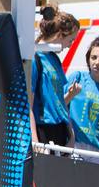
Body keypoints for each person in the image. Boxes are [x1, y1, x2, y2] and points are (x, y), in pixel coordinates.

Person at [32, 8, 78, 147]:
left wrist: (70, 133)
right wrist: (35, 142)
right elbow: (28, 105)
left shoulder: (54, 59)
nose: (70, 46)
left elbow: (57, 103)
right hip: (44, 130)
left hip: (60, 130)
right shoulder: (35, 58)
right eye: (71, 40)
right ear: (60, 34)